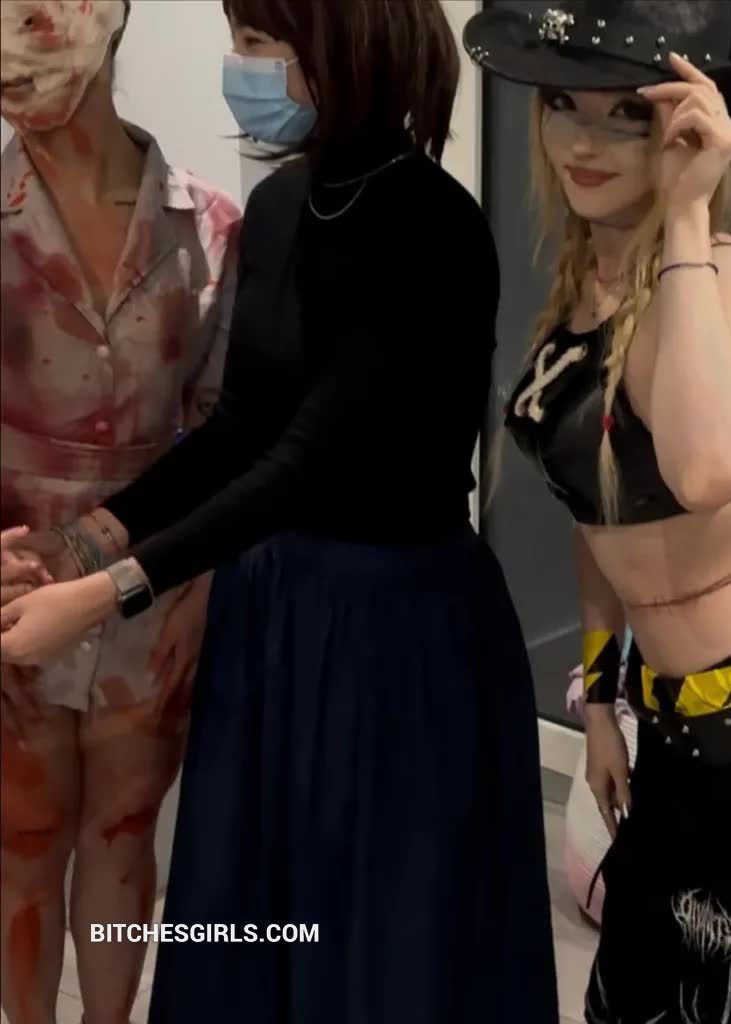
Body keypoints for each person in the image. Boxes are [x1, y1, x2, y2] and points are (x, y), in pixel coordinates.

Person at [0, 1, 559, 1021]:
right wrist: (78, 545)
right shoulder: (280, 205)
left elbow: (309, 457)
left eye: (259, 43)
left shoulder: (430, 225)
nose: (238, 65)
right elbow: (237, 431)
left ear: (341, 44)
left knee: (374, 931)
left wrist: (106, 594)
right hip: (276, 608)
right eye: (237, 38)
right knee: (257, 918)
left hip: (394, 628)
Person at [464, 1, 731, 1021]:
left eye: (628, 114)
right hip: (666, 718)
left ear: (688, 127)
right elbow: (597, 516)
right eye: (562, 105)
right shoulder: (579, 292)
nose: (581, 141)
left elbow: (706, 469)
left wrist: (691, 214)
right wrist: (602, 702)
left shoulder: (723, 282)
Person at [0, 1, 240, 1021]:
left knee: (125, 831)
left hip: (155, 583)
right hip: (12, 581)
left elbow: (225, 430)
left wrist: (203, 580)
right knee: (20, 839)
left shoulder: (205, 224)